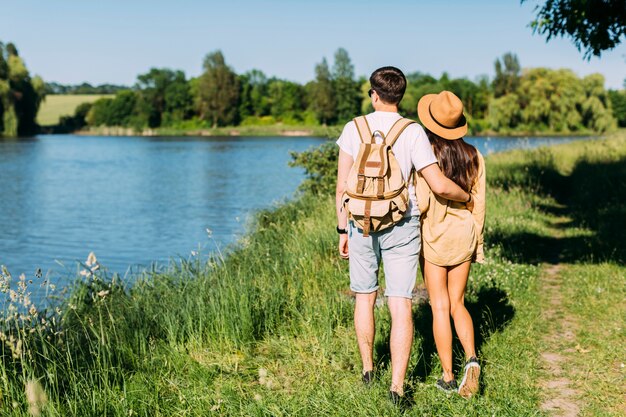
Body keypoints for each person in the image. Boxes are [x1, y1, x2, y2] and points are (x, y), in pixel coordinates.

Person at [335, 67, 473, 403]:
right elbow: (438, 183)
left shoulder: (353, 127)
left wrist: (342, 229)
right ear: (401, 96)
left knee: (364, 296)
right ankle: (397, 387)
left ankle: (368, 369)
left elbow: (341, 187)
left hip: (360, 223)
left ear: (374, 94)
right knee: (400, 302)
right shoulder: (412, 131)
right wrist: (468, 198)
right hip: (401, 222)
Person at [414, 90, 486, 398]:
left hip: (436, 238)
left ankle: (447, 375)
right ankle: (471, 359)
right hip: (464, 234)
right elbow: (479, 204)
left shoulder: (428, 155)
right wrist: (477, 241)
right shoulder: (474, 155)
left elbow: (423, 203)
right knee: (458, 304)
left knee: (439, 306)